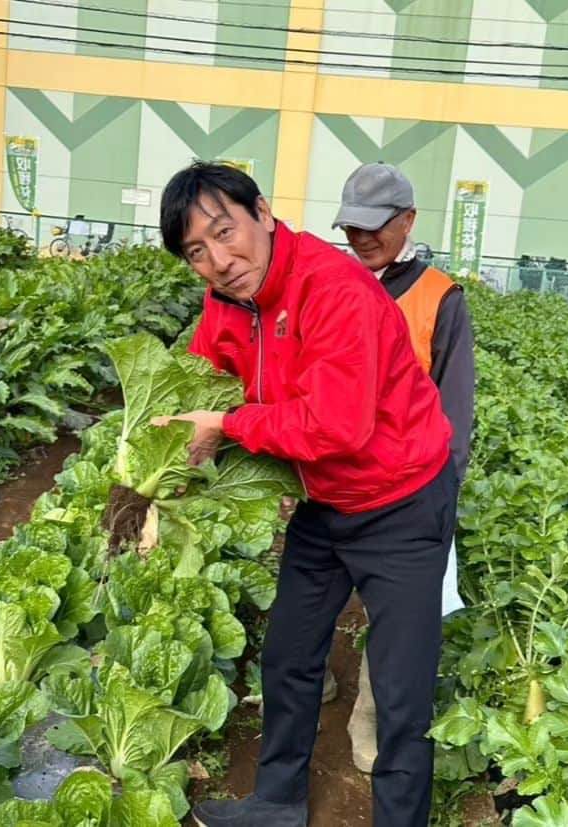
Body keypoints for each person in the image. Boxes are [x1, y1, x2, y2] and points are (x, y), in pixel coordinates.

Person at [154, 162, 458, 827]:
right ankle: (278, 801)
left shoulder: (332, 286)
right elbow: (202, 380)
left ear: (261, 212)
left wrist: (229, 426)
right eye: (195, 252)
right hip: (323, 503)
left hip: (401, 502)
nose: (218, 260)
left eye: (224, 231)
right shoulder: (227, 299)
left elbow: (336, 424)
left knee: (402, 694)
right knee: (289, 656)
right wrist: (154, 459)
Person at [331, 161, 475, 774]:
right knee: (315, 596)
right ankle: (315, 688)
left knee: (391, 615)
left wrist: (436, 500)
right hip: (328, 478)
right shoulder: (330, 283)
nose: (361, 239)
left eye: (375, 227)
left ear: (408, 221)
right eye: (351, 227)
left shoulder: (438, 298)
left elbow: (454, 409)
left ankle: (366, 718)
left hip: (403, 490)